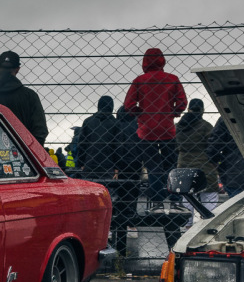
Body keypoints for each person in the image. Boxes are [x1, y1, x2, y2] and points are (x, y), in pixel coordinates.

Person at [123, 48, 186, 206]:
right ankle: (174, 199)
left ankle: (157, 201)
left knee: (153, 167)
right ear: (162, 60)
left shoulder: (139, 80)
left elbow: (128, 105)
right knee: (170, 164)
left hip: (146, 130)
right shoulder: (172, 79)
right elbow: (182, 102)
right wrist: (172, 113)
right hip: (167, 129)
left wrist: (140, 113)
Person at [0, 51, 48, 145]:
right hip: (22, 150)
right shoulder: (29, 96)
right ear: (17, 69)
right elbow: (40, 130)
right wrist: (30, 150)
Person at [175, 99, 219, 220]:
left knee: (187, 195)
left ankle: (187, 224)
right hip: (204, 164)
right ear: (202, 110)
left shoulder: (178, 126)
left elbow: (174, 145)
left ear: (188, 109)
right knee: (210, 194)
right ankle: (208, 221)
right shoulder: (206, 126)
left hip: (183, 163)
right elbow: (213, 144)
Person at [110, 105, 142, 256]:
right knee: (133, 193)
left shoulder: (117, 126)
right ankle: (131, 224)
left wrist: (116, 165)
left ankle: (116, 224)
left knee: (119, 194)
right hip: (135, 163)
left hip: (120, 164)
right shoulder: (137, 126)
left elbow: (116, 147)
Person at [75, 96, 119, 182]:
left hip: (89, 164)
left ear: (99, 105)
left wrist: (81, 163)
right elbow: (118, 147)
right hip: (108, 166)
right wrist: (117, 167)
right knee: (106, 188)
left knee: (89, 188)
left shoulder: (88, 121)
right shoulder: (116, 123)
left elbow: (82, 144)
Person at [206, 118, 244, 196]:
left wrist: (215, 161)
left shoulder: (227, 117)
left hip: (235, 172)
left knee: (238, 199)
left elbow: (214, 146)